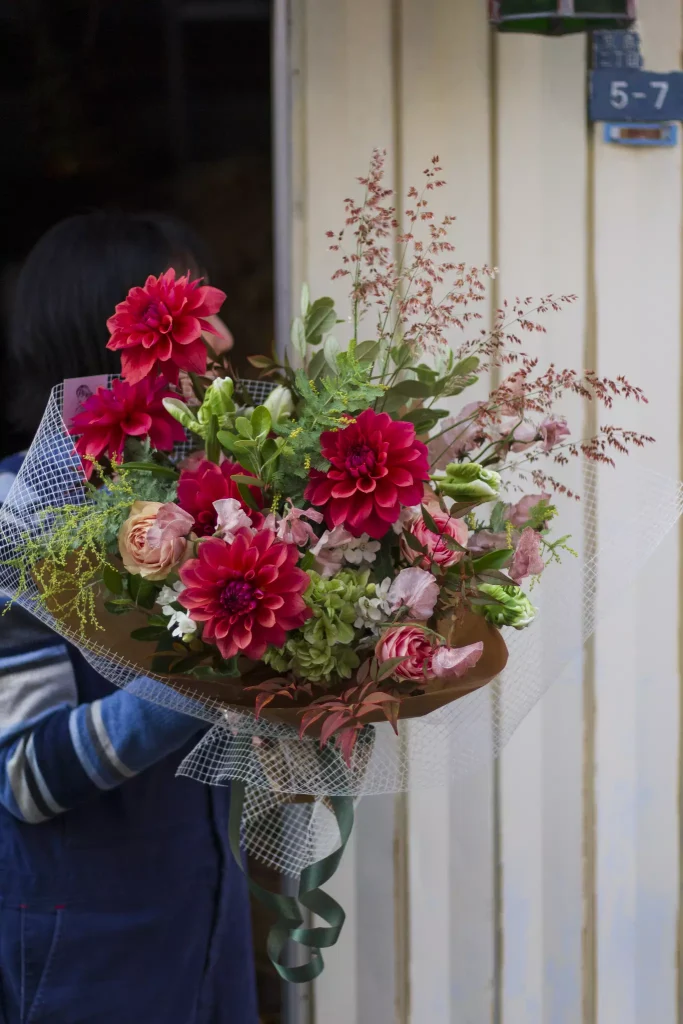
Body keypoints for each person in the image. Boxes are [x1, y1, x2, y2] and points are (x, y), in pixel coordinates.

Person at [0, 212, 257, 1024]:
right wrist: (223, 662)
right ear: (115, 337)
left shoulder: (207, 498)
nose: (223, 339)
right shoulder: (20, 512)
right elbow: (24, 777)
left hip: (207, 931)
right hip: (86, 955)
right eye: (194, 313)